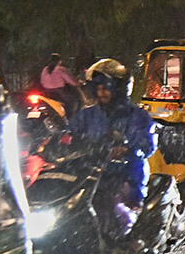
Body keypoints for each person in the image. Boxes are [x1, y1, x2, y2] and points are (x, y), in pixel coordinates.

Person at [66, 59, 155, 235]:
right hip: (89, 175)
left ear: (119, 88)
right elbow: (69, 135)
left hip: (124, 176)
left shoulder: (137, 116)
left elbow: (146, 146)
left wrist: (127, 150)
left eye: (106, 87)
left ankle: (120, 249)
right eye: (97, 88)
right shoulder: (87, 115)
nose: (101, 92)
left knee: (113, 212)